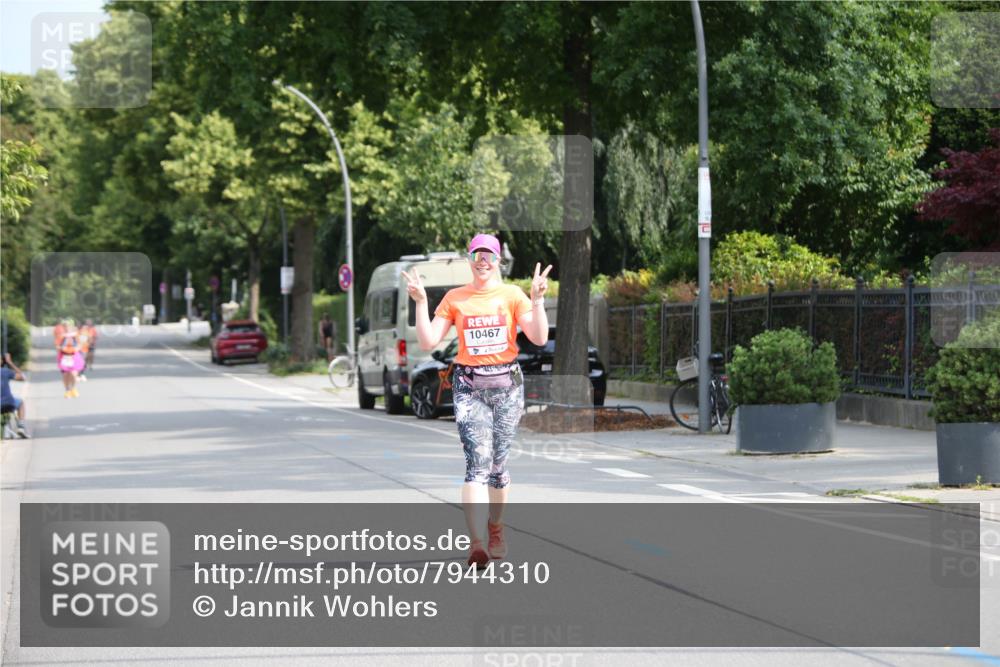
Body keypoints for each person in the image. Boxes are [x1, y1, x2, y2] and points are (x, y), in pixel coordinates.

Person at [404, 233, 551, 567]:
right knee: (477, 466)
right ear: (469, 259)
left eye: (489, 255)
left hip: (507, 387)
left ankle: (495, 527)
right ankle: (477, 544)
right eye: (477, 255)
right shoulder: (456, 298)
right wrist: (421, 302)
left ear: (497, 261)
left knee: (498, 468)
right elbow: (428, 342)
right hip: (470, 386)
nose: (483, 260)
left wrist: (538, 299)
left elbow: (539, 337)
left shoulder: (512, 295)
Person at [1, 353, 28, 437]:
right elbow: (23, 377)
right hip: (9, 403)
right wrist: (10, 363)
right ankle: (21, 426)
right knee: (20, 402)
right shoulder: (5, 371)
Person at [56, 319, 84, 398]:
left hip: (74, 356)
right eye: (65, 326)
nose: (66, 327)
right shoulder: (61, 335)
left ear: (71, 326)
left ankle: (73, 388)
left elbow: (80, 344)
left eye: (68, 326)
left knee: (73, 373)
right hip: (64, 356)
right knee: (65, 374)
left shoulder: (76, 335)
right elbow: (57, 345)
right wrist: (61, 348)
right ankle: (67, 390)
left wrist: (76, 349)